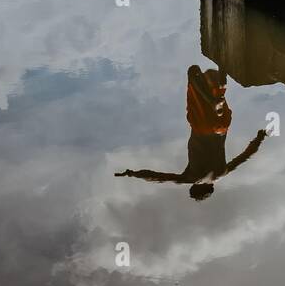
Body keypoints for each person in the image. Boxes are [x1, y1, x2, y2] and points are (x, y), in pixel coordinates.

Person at [115, 65, 268, 200]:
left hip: (222, 127)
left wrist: (259, 139)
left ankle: (219, 87)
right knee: (193, 72)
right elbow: (158, 177)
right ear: (196, 186)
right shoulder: (191, 178)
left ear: (211, 187)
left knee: (213, 89)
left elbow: (246, 156)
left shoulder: (222, 173)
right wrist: (132, 173)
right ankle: (213, 99)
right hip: (202, 127)